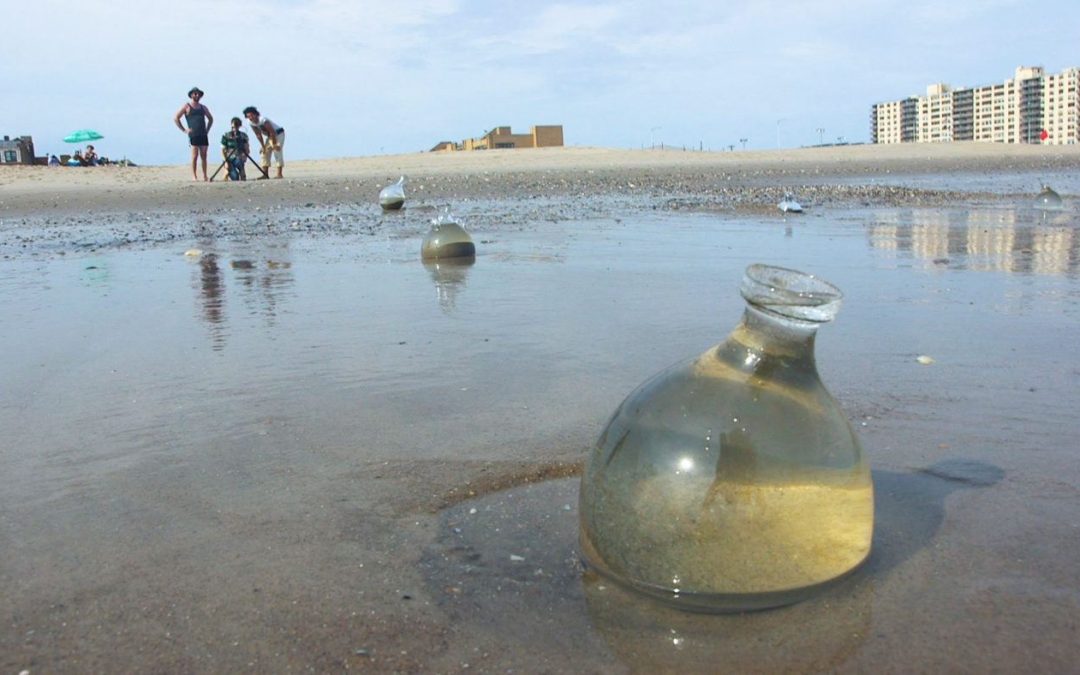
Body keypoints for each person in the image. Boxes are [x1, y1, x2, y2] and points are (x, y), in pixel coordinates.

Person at [174, 87, 214, 181]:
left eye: (198, 94)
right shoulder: (187, 106)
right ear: (191, 95)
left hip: (203, 134)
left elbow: (210, 119)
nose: (196, 95)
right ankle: (194, 176)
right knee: (194, 156)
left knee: (204, 155)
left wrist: (207, 129)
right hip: (193, 134)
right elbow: (176, 118)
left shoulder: (203, 107)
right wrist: (184, 130)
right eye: (195, 94)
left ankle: (205, 175)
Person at [242, 106, 285, 179]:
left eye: (252, 115)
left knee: (277, 151)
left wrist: (274, 144)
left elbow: (272, 132)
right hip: (269, 136)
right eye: (248, 116)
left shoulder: (263, 120)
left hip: (278, 134)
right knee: (264, 153)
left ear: (255, 114)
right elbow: (258, 135)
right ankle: (265, 174)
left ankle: (279, 174)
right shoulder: (251, 123)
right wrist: (263, 146)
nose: (250, 117)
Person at [220, 117, 250, 181]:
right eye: (233, 127)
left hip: (238, 158)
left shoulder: (243, 136)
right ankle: (226, 171)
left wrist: (244, 157)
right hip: (228, 159)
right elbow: (222, 150)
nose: (235, 129)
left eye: (236, 127)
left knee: (240, 162)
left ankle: (242, 172)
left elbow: (247, 148)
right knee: (235, 178)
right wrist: (226, 162)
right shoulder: (226, 135)